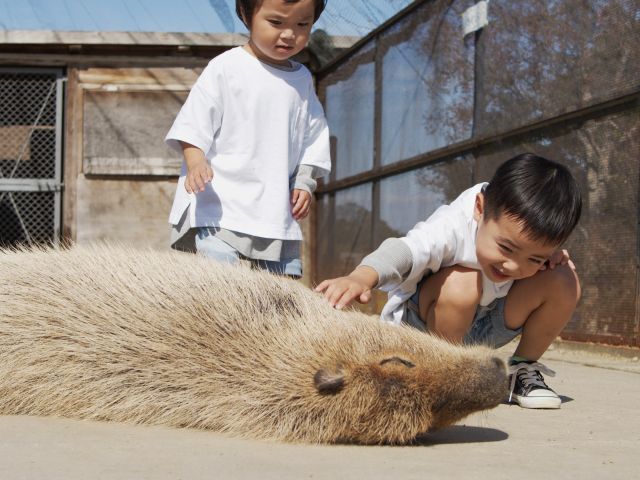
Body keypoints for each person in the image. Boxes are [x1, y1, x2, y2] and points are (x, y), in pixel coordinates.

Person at [316, 153, 582, 409]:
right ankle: (440, 375)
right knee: (462, 283)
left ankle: (521, 369)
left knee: (563, 278)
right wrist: (361, 276)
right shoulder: (452, 225)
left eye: (534, 258)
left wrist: (545, 262)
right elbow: (405, 250)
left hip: (483, 324)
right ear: (480, 209)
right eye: (506, 248)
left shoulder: (523, 250)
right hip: (422, 329)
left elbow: (532, 258)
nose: (514, 266)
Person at [165, 0, 330, 278]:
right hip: (222, 201)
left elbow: (313, 137)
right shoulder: (226, 67)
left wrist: (304, 180)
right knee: (219, 280)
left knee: (279, 289)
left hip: (275, 206)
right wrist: (196, 162)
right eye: (276, 22)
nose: (289, 34)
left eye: (302, 24)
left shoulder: (302, 80)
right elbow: (193, 123)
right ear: (246, 14)